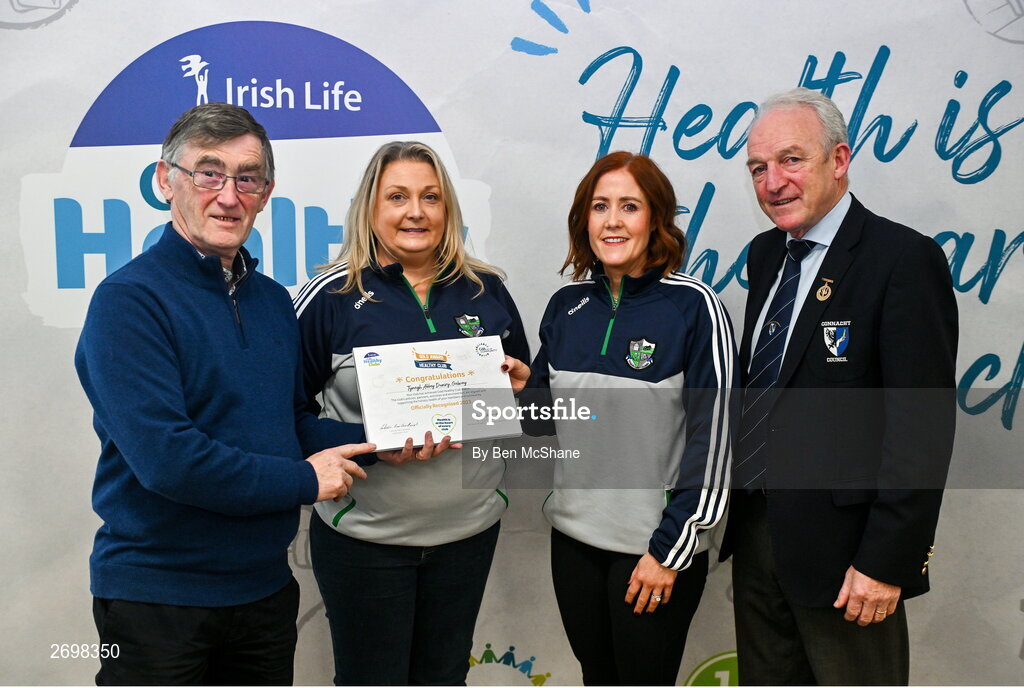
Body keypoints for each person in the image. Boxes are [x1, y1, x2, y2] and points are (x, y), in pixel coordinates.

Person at [74, 103, 376, 685]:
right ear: (166, 181)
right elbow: (169, 461)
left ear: (266, 192)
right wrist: (306, 481)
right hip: (157, 603)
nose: (229, 195)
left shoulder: (269, 301)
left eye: (248, 178)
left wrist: (391, 436)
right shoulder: (129, 302)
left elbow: (288, 422)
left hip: (263, 594)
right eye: (208, 173)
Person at [721, 87, 958, 685]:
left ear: (839, 160)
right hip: (757, 540)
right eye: (758, 168)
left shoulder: (903, 259)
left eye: (790, 160)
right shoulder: (765, 255)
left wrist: (887, 561)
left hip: (850, 562)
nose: (773, 182)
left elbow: (921, 430)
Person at [292, 140, 531, 685]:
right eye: (397, 196)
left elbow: (527, 405)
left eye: (430, 197)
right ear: (370, 209)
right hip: (366, 542)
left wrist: (521, 390)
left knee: (445, 677)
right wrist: (372, 442)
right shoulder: (329, 296)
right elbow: (289, 416)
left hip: (467, 536)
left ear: (448, 209)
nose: (415, 212)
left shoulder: (486, 290)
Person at [527, 152, 736, 685]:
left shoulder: (695, 307)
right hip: (574, 541)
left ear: (656, 219)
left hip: (652, 549)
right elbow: (541, 419)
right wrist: (515, 386)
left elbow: (716, 442)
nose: (613, 220)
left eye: (629, 206)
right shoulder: (566, 304)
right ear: (584, 219)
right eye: (600, 206)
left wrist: (671, 549)